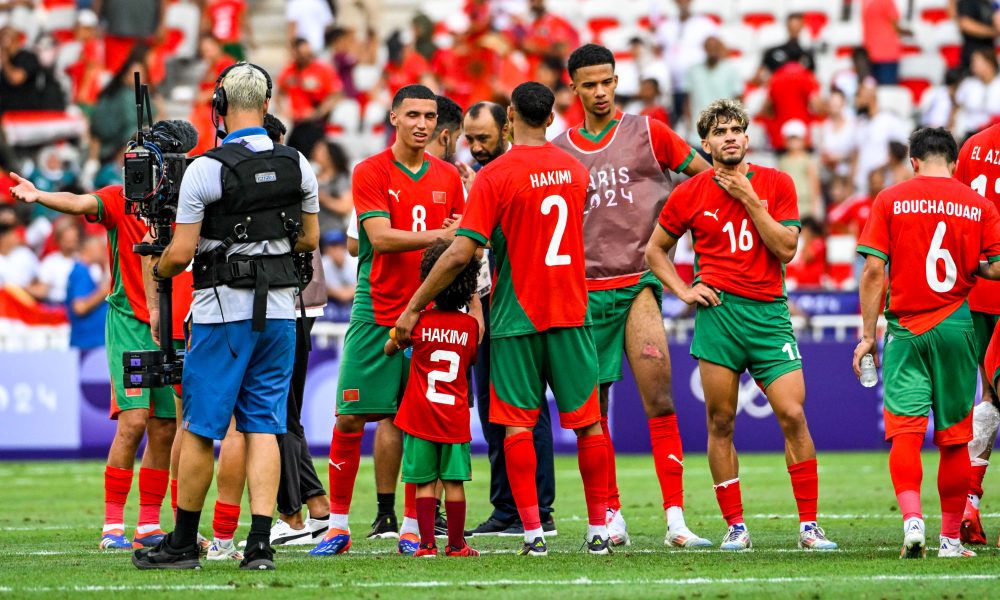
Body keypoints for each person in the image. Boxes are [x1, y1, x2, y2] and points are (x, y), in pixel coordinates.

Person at [395, 81, 612, 556]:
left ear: (510, 116)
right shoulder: (577, 172)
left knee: (516, 424)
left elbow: (459, 254)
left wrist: (415, 306)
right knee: (589, 424)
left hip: (517, 316)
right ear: (552, 118)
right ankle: (599, 529)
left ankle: (533, 532)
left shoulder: (496, 175)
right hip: (572, 311)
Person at [132, 62, 320, 571]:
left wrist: (159, 258)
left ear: (219, 107)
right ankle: (259, 545)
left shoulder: (205, 168)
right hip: (281, 312)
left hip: (221, 313)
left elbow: (181, 253)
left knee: (199, 427)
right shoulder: (298, 163)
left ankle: (184, 542)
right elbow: (309, 239)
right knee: (264, 425)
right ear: (266, 103)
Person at [645, 99, 838, 551]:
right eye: (720, 131)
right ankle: (736, 527)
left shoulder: (775, 183)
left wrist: (750, 200)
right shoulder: (688, 192)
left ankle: (809, 526)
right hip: (720, 317)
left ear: (748, 139)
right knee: (721, 421)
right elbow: (655, 251)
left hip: (769, 314)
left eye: (737, 129)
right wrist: (684, 291)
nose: (730, 137)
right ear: (705, 142)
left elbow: (786, 249)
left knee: (792, 413)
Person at [554, 43, 711, 548]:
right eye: (589, 84)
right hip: (583, 290)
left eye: (607, 81)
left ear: (616, 80)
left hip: (639, 282)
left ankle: (675, 520)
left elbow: (705, 178)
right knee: (592, 411)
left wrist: (675, 231)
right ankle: (610, 516)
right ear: (573, 86)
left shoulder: (649, 131)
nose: (600, 92)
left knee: (660, 397)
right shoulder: (559, 150)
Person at [310, 84, 464, 558]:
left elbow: (462, 249)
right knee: (351, 417)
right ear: (394, 117)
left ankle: (413, 527)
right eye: (413, 114)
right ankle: (337, 525)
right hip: (376, 309)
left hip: (431, 315)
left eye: (430, 116)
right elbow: (377, 237)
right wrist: (441, 234)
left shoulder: (449, 177)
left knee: (415, 423)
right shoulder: (370, 170)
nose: (423, 124)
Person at [8, 167, 193, 551]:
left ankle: (147, 526)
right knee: (134, 420)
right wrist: (39, 194)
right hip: (129, 321)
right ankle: (112, 525)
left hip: (172, 323)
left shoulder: (186, 200)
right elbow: (79, 202)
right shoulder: (118, 197)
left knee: (164, 428)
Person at [853, 126, 1000, 558]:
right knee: (954, 438)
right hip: (957, 328)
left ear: (913, 161)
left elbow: (873, 272)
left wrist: (867, 337)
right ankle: (951, 539)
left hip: (905, 330)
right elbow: (992, 270)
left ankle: (913, 521)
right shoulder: (978, 204)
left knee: (905, 432)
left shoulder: (890, 199)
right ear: (954, 162)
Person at [461, 101, 558, 537]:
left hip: (518, 309)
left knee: (522, 411)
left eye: (484, 138)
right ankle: (511, 507)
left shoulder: (512, 174)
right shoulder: (485, 177)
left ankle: (531, 508)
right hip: (488, 306)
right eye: (471, 139)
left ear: (508, 128)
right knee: (495, 412)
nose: (477, 146)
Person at [255, 113, 332, 547]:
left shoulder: (276, 173)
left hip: (288, 300)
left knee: (276, 411)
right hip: (303, 300)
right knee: (284, 410)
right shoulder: (296, 167)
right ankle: (310, 506)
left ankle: (301, 512)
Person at [388, 240, 483, 558]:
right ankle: (457, 545)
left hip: (419, 417)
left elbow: (389, 348)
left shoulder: (420, 322)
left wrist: (399, 336)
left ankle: (425, 544)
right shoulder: (469, 327)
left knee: (424, 482)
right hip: (453, 418)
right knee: (454, 483)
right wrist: (475, 300)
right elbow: (476, 340)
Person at [953, 120, 1000, 546]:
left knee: (988, 396)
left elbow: (954, 209)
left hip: (977, 286)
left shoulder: (974, 146)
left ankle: (970, 503)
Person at [277, 38, 342, 153]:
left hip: (316, 121)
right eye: (302, 54)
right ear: (295, 53)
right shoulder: (289, 71)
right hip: (295, 121)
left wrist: (318, 113)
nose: (307, 57)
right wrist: (284, 112)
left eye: (308, 54)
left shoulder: (322, 69)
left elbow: (335, 95)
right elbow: (279, 94)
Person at [65, 232, 109, 350]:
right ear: (89, 249)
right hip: (89, 344)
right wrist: (104, 292)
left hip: (92, 343)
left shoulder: (86, 270)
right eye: (101, 248)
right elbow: (80, 307)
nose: (104, 252)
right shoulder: (81, 271)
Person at [862, 0, 910, 85]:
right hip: (881, 53)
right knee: (884, 90)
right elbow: (895, 25)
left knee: (882, 90)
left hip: (878, 53)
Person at [957, 0, 997, 71]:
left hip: (988, 53)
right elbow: (965, 24)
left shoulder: (988, 4)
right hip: (973, 53)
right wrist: (993, 32)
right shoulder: (968, 2)